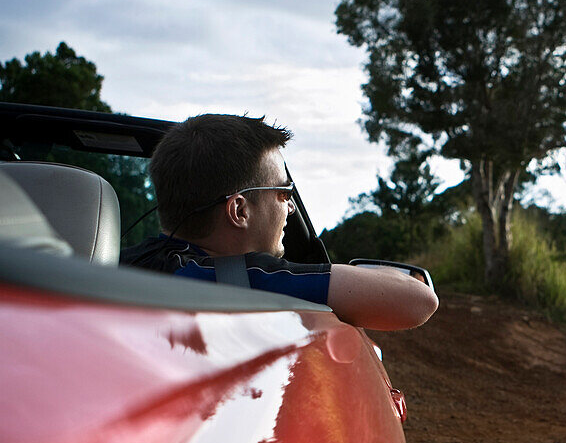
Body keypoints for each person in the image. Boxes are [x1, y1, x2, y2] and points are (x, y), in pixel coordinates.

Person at [121, 114, 438, 331]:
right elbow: (417, 300)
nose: (291, 209)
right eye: (284, 193)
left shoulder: (115, 264)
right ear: (239, 211)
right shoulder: (241, 280)